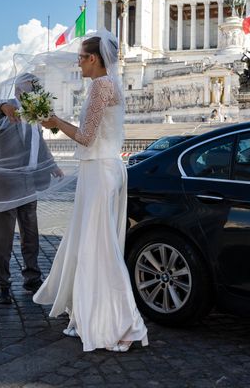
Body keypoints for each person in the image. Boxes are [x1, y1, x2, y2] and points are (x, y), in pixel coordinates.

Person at [34, 31, 149, 353]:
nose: (78, 63)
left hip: (99, 169)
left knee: (100, 249)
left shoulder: (101, 85)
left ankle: (124, 323)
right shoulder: (106, 84)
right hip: (103, 167)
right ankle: (89, 315)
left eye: (81, 58)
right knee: (95, 244)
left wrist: (55, 120)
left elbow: (85, 136)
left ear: (94, 59)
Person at [0, 73, 63, 304]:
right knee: (3, 238)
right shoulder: (7, 109)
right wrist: (1, 107)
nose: (33, 93)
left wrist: (52, 165)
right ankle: (2, 284)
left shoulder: (35, 113)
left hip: (27, 182)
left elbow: (38, 141)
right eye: (30, 89)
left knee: (30, 234)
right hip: (5, 183)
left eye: (37, 89)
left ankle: (32, 276)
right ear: (18, 91)